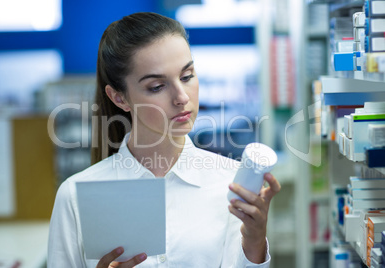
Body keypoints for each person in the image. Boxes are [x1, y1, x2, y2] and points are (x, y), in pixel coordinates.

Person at [47, 12, 281, 268]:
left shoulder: (231, 183)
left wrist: (255, 241)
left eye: (187, 76)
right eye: (157, 86)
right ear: (119, 98)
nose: (181, 97)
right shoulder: (75, 195)